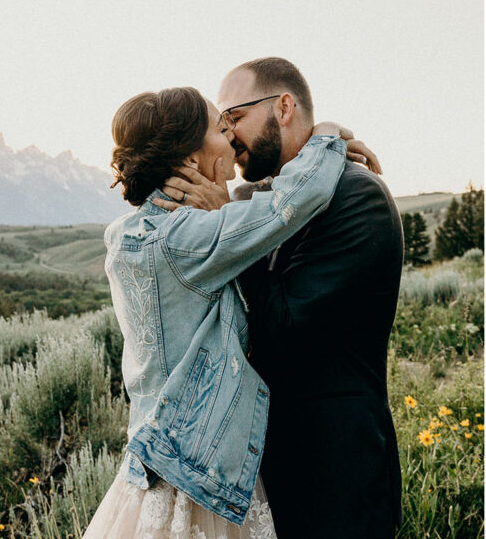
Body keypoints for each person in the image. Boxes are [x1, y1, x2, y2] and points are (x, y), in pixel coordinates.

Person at [84, 85, 372, 539]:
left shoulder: (125, 235)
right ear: (191, 159)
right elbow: (290, 205)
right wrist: (327, 136)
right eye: (222, 129)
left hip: (153, 463)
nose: (232, 142)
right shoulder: (187, 238)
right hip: (199, 474)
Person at [166, 58, 404, 539]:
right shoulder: (252, 200)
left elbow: (283, 327)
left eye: (234, 118)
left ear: (284, 106)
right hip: (260, 475)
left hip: (337, 478)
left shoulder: (358, 198)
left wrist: (231, 237)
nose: (229, 136)